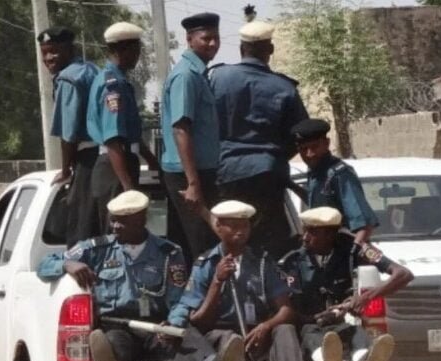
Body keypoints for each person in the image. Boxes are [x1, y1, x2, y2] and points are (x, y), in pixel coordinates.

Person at [37, 190, 243, 361]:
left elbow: (180, 298)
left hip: (157, 326)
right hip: (118, 325)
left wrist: (173, 323)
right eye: (113, 220)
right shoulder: (96, 250)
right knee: (114, 343)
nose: (114, 226)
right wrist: (67, 264)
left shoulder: (169, 252)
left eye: (121, 221)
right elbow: (44, 265)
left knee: (186, 337)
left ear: (141, 219)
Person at [168, 200, 331, 361]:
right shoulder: (205, 265)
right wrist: (217, 281)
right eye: (233, 226)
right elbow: (199, 321)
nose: (240, 231)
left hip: (256, 333)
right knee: (231, 341)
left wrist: (266, 326)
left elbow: (286, 310)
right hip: (222, 335)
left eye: (244, 226)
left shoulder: (263, 262)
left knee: (284, 329)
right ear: (218, 227)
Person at [279, 207, 413, 361]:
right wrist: (318, 317)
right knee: (312, 335)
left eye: (312, 232)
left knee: (355, 332)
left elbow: (403, 274)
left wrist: (364, 298)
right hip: (310, 325)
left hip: (341, 322)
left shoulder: (353, 249)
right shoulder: (292, 261)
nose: (305, 238)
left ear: (330, 235)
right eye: (305, 231)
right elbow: (287, 309)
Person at [209, 19, 309, 259]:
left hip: (227, 172)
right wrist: (274, 157)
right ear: (270, 50)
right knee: (269, 245)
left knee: (230, 238)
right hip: (268, 174)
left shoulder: (217, 78)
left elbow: (203, 125)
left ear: (241, 49)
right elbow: (301, 134)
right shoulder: (284, 87)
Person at [87, 22, 161, 235]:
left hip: (120, 163)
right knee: (119, 233)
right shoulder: (114, 86)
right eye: (136, 50)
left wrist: (151, 160)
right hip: (115, 167)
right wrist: (127, 187)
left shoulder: (115, 80)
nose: (138, 56)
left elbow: (131, 132)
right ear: (123, 50)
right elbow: (113, 140)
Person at [161, 12, 222, 261]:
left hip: (199, 173)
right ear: (189, 39)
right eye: (206, 38)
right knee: (203, 248)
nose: (213, 44)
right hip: (189, 176)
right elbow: (181, 129)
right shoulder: (186, 76)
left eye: (216, 38)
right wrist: (193, 184)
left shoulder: (198, 73)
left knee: (196, 247)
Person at [37, 27, 100, 247]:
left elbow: (68, 134)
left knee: (81, 232)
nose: (49, 58)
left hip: (89, 158)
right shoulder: (92, 69)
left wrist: (65, 170)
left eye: (54, 51)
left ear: (69, 49)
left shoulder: (68, 79)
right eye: (44, 53)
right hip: (109, 155)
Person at [291, 118, 378, 246]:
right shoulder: (314, 172)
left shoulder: (340, 174)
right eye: (304, 149)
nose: (309, 154)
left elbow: (364, 225)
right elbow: (319, 203)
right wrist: (291, 185)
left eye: (314, 147)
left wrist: (353, 251)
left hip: (341, 249)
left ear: (326, 143)